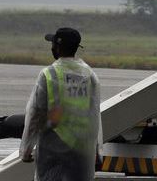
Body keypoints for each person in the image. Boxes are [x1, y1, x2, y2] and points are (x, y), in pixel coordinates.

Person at [20, 28, 102, 181]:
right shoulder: (90, 75)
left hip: (53, 152)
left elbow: (35, 114)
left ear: (56, 48)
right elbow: (95, 116)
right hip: (81, 152)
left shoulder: (48, 75)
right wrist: (97, 150)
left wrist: (26, 148)